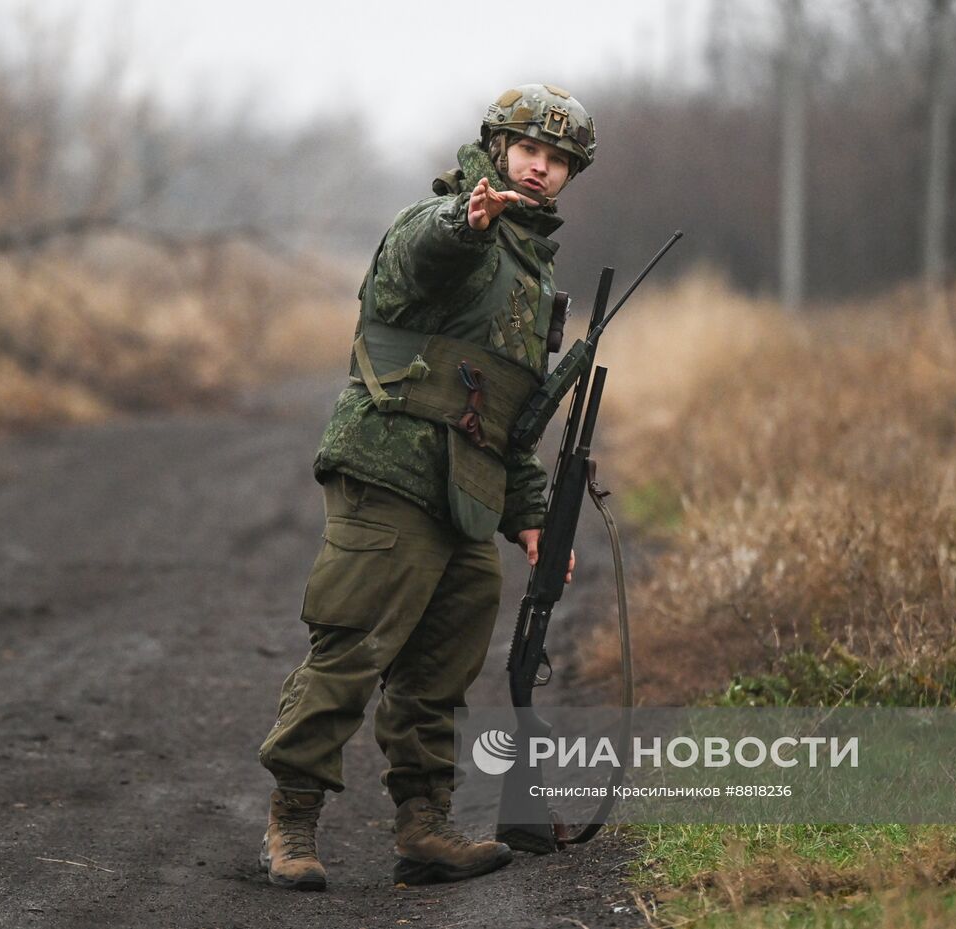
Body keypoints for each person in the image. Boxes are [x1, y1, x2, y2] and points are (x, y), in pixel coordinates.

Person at [257, 83, 595, 890]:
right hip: (390, 466)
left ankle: (425, 826)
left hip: (465, 492)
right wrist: (468, 221)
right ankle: (292, 821)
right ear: (498, 147)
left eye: (557, 160)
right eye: (529, 151)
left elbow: (509, 412)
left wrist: (531, 513)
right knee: (354, 644)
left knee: (441, 667)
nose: (541, 168)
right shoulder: (449, 220)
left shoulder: (529, 276)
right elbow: (419, 255)